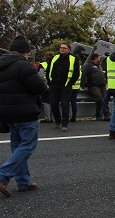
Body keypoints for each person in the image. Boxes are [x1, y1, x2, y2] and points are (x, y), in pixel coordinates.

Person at [0, 35, 48, 196]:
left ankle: (23, 182)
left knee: (17, 146)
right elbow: (40, 87)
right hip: (26, 111)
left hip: (7, 113)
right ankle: (3, 176)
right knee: (27, 146)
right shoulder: (24, 66)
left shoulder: (2, 65)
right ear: (25, 52)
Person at [45, 42, 80, 132]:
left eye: (64, 48)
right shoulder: (55, 58)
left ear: (68, 50)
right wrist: (50, 82)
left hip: (65, 86)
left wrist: (69, 84)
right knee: (53, 104)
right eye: (61, 48)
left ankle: (64, 124)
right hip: (54, 85)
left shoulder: (73, 59)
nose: (62, 49)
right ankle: (57, 121)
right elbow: (48, 70)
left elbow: (76, 73)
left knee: (65, 105)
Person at [82, 53, 110, 121]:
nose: (99, 59)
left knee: (105, 99)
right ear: (95, 58)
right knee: (99, 98)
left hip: (102, 85)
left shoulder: (99, 66)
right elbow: (84, 75)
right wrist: (84, 85)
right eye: (98, 58)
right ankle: (104, 113)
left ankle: (103, 115)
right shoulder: (88, 66)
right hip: (93, 86)